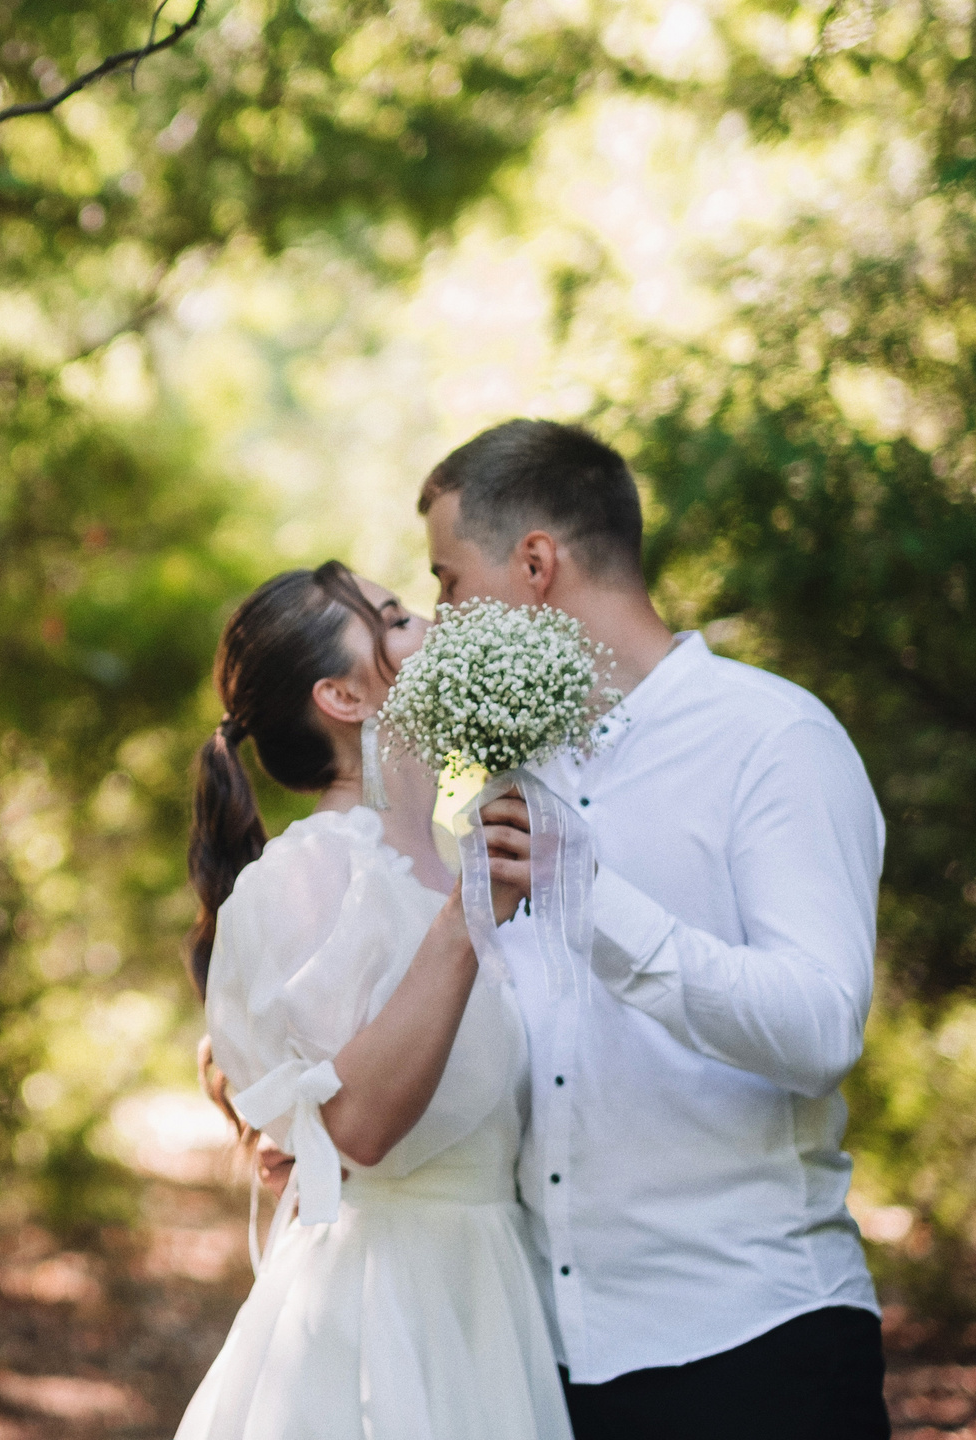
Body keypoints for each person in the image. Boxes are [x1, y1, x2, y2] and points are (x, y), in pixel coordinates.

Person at [425, 419, 890, 1439]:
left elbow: (821, 1030)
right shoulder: (511, 778)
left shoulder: (775, 739)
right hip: (547, 1367)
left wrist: (594, 904)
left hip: (756, 1348)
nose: (441, 622)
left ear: (535, 564)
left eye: (449, 583)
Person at [174, 560, 572, 1440]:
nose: (428, 622)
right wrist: (466, 921)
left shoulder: (464, 851)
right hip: (382, 1308)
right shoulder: (309, 872)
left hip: (494, 1294)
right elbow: (355, 1129)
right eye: (392, 618)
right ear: (343, 697)